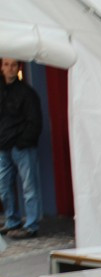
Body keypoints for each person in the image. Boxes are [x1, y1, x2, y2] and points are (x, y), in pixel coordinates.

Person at [0, 58, 43, 239]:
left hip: (21, 146)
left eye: (14, 65)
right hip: (3, 146)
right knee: (4, 187)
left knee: (29, 187)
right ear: (2, 67)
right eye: (7, 65)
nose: (10, 69)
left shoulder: (27, 93)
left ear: (18, 68)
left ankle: (31, 225)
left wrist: (23, 141)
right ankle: (12, 221)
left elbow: (35, 120)